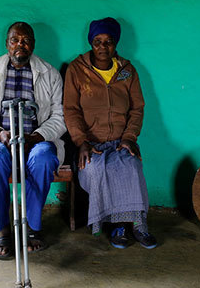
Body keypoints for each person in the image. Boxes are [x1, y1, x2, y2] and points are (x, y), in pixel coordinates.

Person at [0, 22, 67, 260]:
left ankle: (31, 226)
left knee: (43, 158)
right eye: (15, 40)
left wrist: (38, 136)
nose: (21, 45)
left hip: (36, 139)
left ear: (33, 44)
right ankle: (2, 229)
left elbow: (61, 116)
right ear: (7, 44)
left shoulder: (49, 74)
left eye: (26, 40)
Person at [63, 17, 157, 249]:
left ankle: (137, 224)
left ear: (116, 43)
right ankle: (118, 226)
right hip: (90, 144)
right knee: (96, 169)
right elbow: (70, 109)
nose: (103, 47)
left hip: (120, 141)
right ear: (91, 43)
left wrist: (129, 138)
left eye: (108, 42)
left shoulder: (127, 71)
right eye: (97, 41)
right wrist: (81, 141)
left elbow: (137, 108)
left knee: (131, 166)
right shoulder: (76, 69)